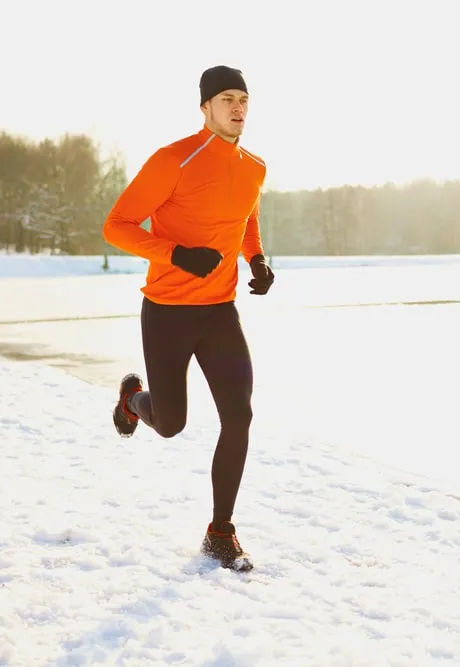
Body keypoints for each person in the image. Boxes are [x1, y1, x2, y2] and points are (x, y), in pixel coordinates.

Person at [101, 65, 275, 572]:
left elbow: (246, 218)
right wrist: (175, 254)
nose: (238, 107)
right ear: (205, 107)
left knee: (238, 415)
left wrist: (257, 258)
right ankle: (133, 399)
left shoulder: (254, 166)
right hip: (168, 312)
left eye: (243, 98)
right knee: (171, 423)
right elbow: (117, 226)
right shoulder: (173, 159)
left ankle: (221, 531)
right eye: (227, 98)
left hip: (220, 311)